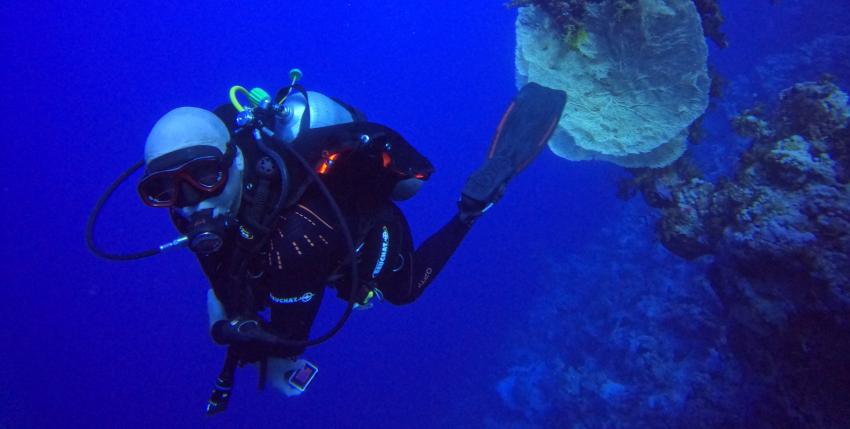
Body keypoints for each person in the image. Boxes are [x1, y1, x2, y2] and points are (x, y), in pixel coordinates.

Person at [96, 73, 565, 414]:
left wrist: (243, 337)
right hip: (288, 251)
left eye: (203, 176)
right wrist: (231, 323)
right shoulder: (209, 209)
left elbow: (291, 340)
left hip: (360, 237)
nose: (193, 203)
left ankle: (472, 207)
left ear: (235, 162)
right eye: (165, 191)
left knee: (404, 290)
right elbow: (225, 285)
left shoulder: (294, 244)